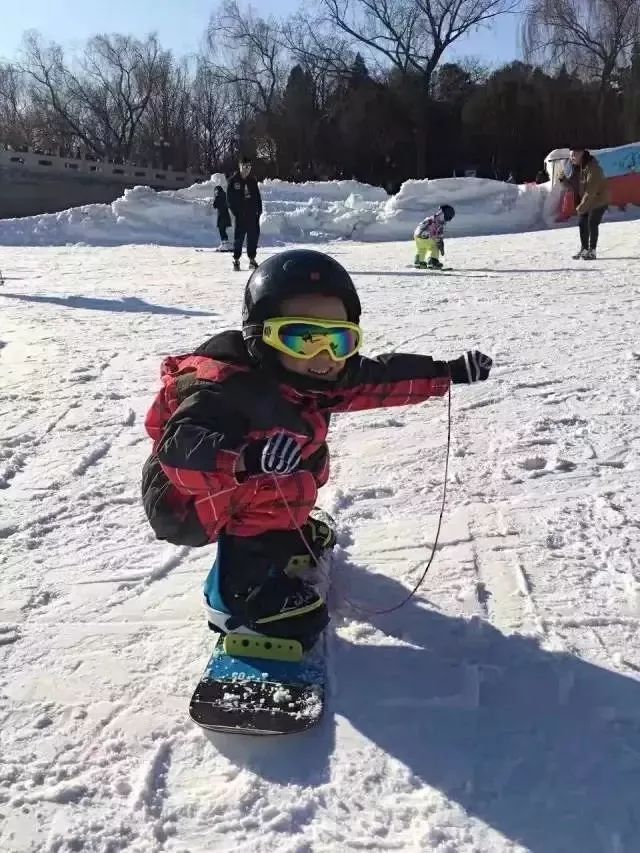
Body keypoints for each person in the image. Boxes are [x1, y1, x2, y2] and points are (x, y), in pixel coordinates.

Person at [142, 249, 492, 650]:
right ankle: (241, 595)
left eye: (339, 340)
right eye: (302, 338)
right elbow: (178, 450)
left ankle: (277, 532)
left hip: (232, 485)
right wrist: (244, 459)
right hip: (182, 499)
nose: (323, 357)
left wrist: (447, 372)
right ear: (263, 336)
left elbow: (380, 380)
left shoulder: (311, 375)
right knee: (284, 475)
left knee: (305, 460)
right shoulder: (225, 387)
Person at [559, 147, 609, 260]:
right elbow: (574, 188)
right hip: (585, 199)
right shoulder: (575, 168)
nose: (571, 158)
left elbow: (590, 191)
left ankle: (592, 251)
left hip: (598, 199)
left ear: (582, 154)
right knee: (582, 223)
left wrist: (581, 206)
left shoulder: (593, 168)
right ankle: (584, 249)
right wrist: (563, 180)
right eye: (570, 155)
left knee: (592, 222)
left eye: (574, 155)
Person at [226, 156, 262, 271]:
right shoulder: (233, 181)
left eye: (249, 167)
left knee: (253, 237)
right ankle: (236, 260)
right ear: (240, 166)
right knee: (239, 238)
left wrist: (259, 210)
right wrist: (236, 212)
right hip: (241, 215)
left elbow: (257, 196)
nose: (247, 169)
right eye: (245, 166)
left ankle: (252, 259)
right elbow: (229, 199)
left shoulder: (252, 181)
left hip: (252, 214)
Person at [413, 204, 455, 270]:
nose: (449, 220)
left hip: (417, 235)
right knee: (434, 247)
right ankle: (433, 261)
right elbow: (438, 235)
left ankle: (419, 261)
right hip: (427, 236)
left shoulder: (430, 218)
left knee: (421, 248)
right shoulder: (440, 222)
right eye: (449, 218)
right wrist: (441, 245)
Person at [212, 185, 232, 251]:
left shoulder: (218, 196)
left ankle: (224, 245)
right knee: (224, 230)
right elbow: (229, 205)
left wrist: (215, 197)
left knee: (221, 231)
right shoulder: (226, 195)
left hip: (221, 216)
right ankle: (227, 245)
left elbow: (214, 206)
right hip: (226, 215)